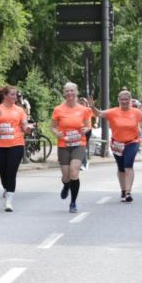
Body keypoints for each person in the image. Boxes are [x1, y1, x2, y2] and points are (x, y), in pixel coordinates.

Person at [91, 89, 142, 202]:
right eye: (122, 99)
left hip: (132, 142)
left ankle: (128, 192)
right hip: (117, 144)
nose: (124, 101)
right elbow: (98, 114)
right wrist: (92, 106)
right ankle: (123, 191)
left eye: (126, 99)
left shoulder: (136, 112)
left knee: (128, 166)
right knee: (121, 168)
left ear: (130, 100)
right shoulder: (113, 112)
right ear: (119, 100)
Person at [0, 86, 34, 212]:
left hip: (16, 144)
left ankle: (9, 201)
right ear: (5, 96)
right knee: (3, 172)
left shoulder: (20, 110)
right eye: (12, 94)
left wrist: (28, 128)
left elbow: (24, 126)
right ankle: (6, 187)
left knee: (11, 171)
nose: (15, 97)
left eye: (16, 95)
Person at [50, 82, 96, 213]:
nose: (69, 93)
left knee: (74, 172)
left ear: (76, 92)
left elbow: (88, 126)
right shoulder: (58, 109)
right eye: (67, 91)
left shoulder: (84, 110)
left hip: (78, 144)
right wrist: (56, 132)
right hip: (64, 144)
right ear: (64, 93)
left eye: (72, 91)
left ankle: (73, 202)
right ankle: (66, 185)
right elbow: (52, 126)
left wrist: (85, 129)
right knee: (66, 176)